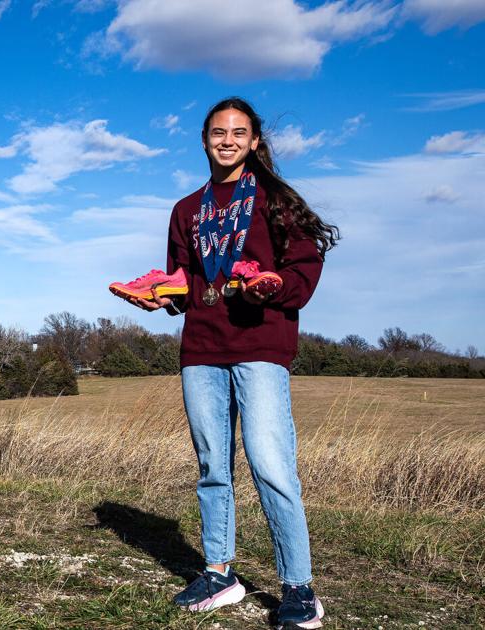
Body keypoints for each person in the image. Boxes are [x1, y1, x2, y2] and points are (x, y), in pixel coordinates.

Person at [117, 97, 339, 630]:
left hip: (261, 346)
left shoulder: (276, 201)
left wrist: (274, 285)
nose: (228, 140)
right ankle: (220, 574)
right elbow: (184, 285)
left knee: (271, 466)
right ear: (204, 138)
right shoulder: (186, 210)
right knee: (213, 466)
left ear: (255, 141)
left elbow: (304, 267)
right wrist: (160, 297)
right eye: (219, 132)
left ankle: (299, 588)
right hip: (202, 350)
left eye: (240, 132)